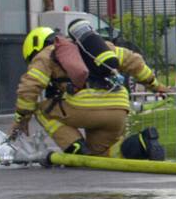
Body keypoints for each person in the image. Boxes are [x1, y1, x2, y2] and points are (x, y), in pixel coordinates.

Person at [12, 19, 166, 157]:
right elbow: (133, 60)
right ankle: (142, 144)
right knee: (102, 153)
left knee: (40, 109)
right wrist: (155, 85)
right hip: (119, 106)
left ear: (35, 48)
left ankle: (75, 147)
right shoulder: (93, 47)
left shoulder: (46, 54)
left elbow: (29, 88)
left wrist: (22, 119)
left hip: (88, 105)